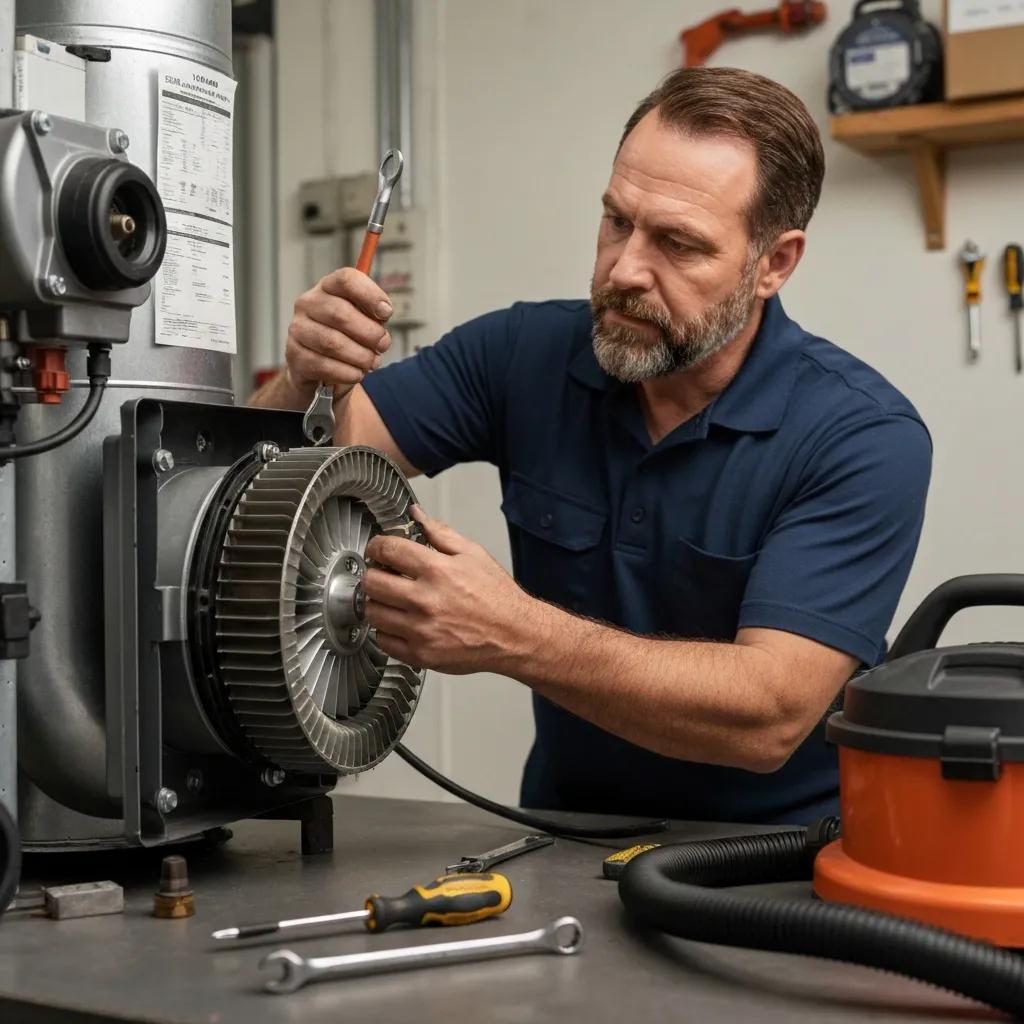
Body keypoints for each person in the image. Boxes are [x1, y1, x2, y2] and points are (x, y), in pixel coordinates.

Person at [250, 67, 931, 825]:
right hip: (559, 836)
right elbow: (277, 480)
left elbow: (769, 716)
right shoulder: (520, 353)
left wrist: (511, 631)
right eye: (617, 222)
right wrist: (301, 379)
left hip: (774, 865)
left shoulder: (862, 437)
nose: (625, 270)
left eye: (679, 244)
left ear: (773, 263)